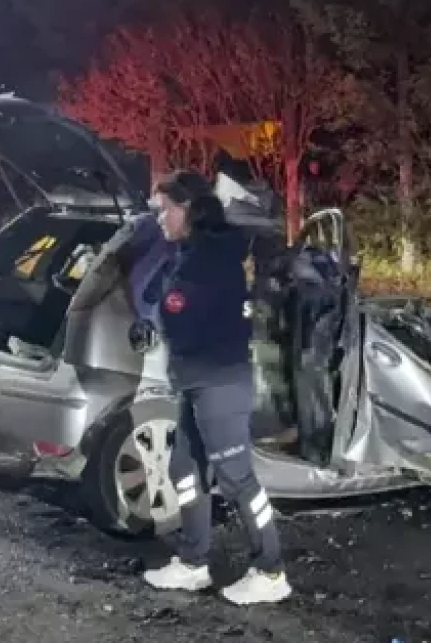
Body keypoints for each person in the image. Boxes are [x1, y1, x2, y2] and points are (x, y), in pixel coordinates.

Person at [140, 170, 292, 606]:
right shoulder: (187, 253)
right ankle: (193, 562)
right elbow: (165, 301)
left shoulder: (213, 257)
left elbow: (181, 310)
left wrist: (163, 312)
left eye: (165, 209)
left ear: (188, 209)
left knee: (236, 478)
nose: (160, 219)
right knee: (184, 470)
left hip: (220, 381)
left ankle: (271, 570)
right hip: (194, 379)